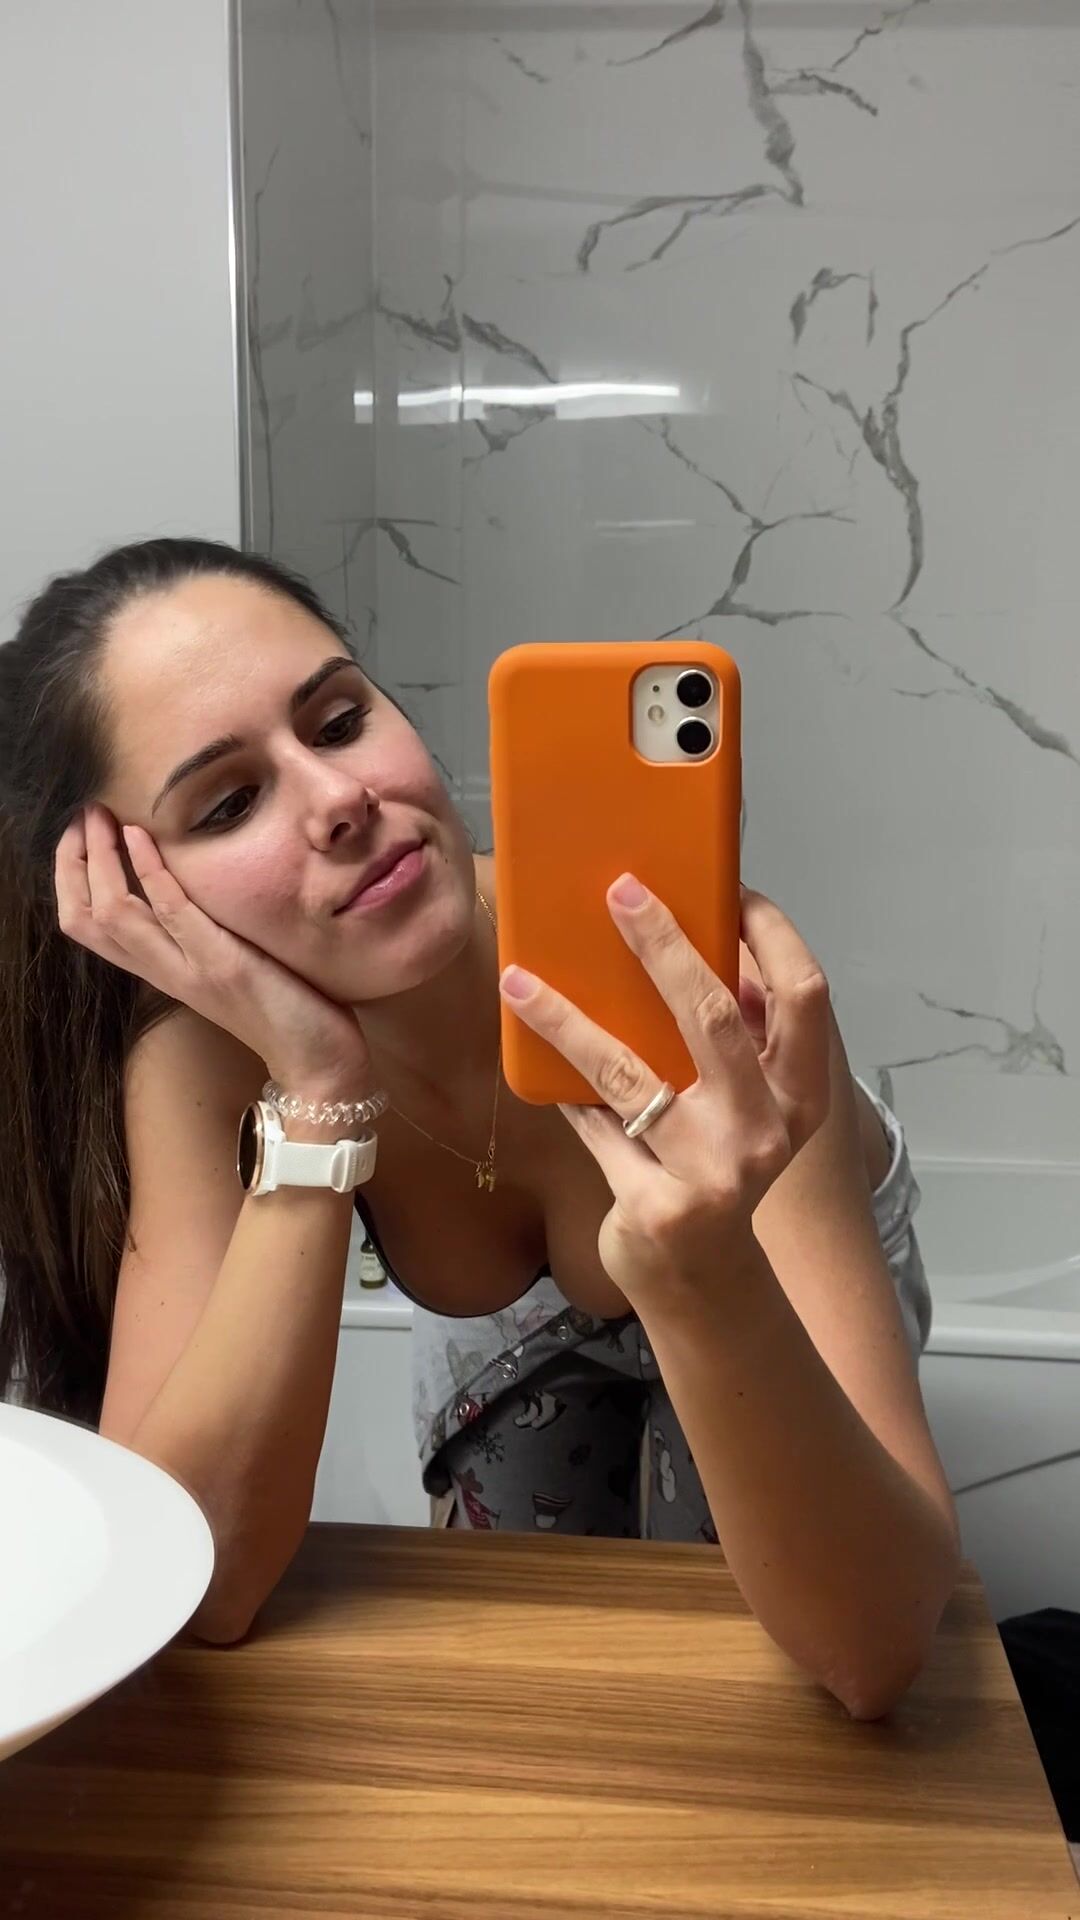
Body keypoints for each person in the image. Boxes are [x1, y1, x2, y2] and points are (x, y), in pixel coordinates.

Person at [0, 537, 959, 1716]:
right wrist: (318, 1092)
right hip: (508, 1324)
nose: (341, 800)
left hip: (750, 1277)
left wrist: (709, 1267)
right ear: (131, 889)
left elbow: (871, 1651)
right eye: (232, 802)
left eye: (340, 721)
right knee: (544, 1668)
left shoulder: (718, 996)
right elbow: (197, 1587)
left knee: (750, 1664)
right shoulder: (207, 1060)